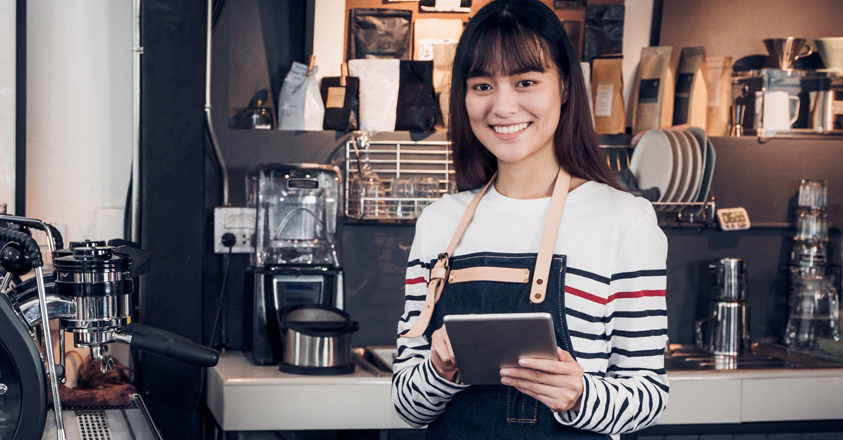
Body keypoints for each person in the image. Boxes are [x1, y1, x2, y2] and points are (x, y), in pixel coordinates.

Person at [391, 0, 668, 438]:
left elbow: (648, 394)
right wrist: (438, 371)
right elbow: (406, 406)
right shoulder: (440, 222)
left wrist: (580, 396)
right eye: (482, 86)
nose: (503, 107)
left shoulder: (625, 220)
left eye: (525, 82)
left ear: (565, 87)